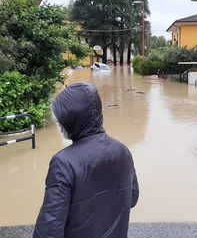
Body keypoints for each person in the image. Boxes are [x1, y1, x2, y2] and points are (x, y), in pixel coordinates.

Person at [33, 83, 139, 238]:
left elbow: (48, 231)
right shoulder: (123, 151)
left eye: (62, 115)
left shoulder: (63, 163)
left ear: (75, 117)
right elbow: (132, 198)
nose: (57, 122)